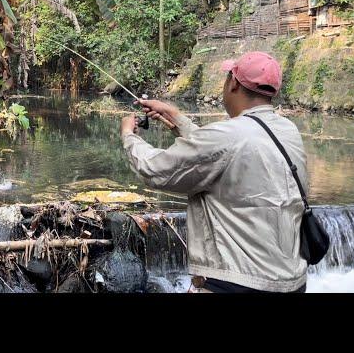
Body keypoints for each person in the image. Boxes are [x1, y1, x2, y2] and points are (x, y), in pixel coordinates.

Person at [120, 51, 308, 293]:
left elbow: (154, 169)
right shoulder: (287, 130)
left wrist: (129, 136)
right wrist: (177, 119)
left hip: (237, 283)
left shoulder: (226, 137)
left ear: (233, 84)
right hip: (292, 281)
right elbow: (227, 151)